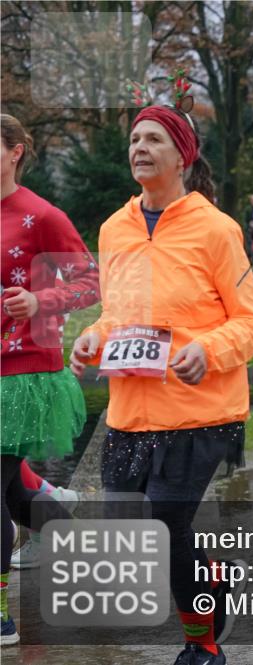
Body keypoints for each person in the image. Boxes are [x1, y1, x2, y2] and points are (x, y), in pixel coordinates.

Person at [70, 102, 253, 665]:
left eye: (154, 139)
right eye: (135, 139)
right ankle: (209, 573)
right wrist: (93, 338)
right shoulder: (114, 229)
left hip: (201, 410)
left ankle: (201, 644)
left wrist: (206, 350)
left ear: (181, 155)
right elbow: (118, 316)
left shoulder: (216, 229)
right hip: (132, 410)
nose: (140, 148)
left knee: (164, 523)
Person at [1, 113, 100, 646]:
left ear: (15, 151)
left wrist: (42, 298)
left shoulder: (41, 215)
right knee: (13, 491)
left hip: (21, 375)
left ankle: (0, 618)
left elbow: (91, 280)